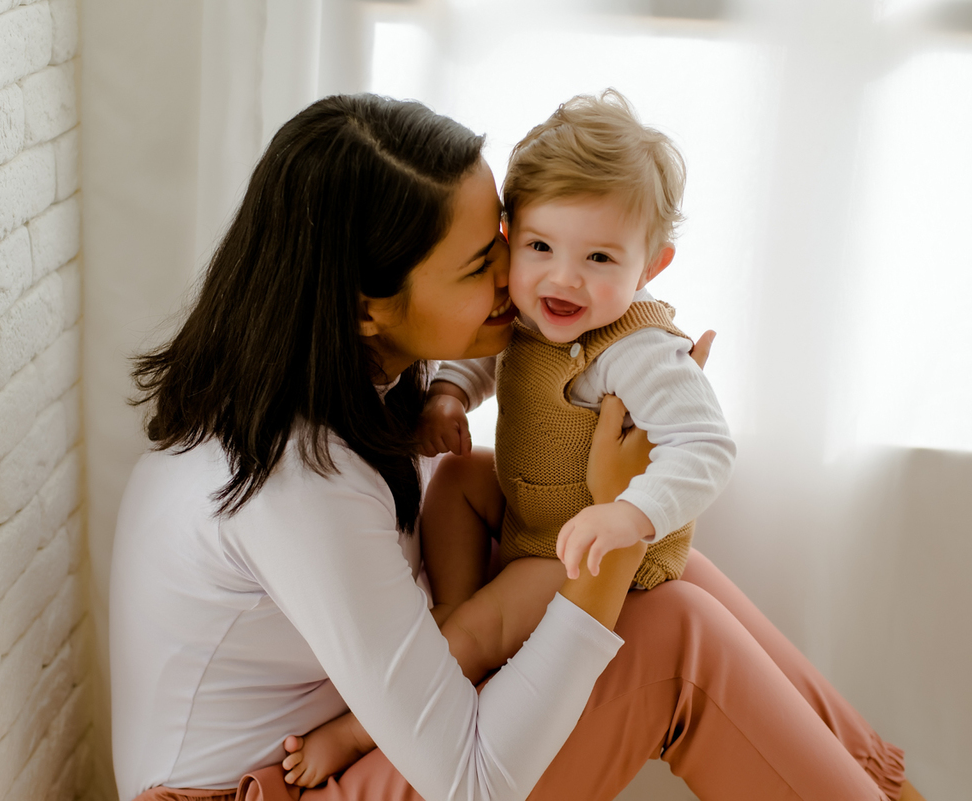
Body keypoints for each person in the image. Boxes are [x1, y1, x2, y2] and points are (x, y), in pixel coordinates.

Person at [110, 92, 921, 801]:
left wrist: (621, 491)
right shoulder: (295, 477)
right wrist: (610, 513)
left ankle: (888, 788)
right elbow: (472, 784)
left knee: (666, 564)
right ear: (368, 306)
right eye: (482, 263)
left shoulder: (360, 383)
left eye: (505, 236)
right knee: (666, 624)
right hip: (268, 788)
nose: (516, 278)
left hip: (341, 746)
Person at [283, 89, 738, 787]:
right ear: (510, 236)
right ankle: (459, 610)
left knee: (481, 625)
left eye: (600, 258)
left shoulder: (641, 350)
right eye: (540, 246)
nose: (563, 277)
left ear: (651, 266)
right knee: (460, 479)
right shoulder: (535, 312)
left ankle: (367, 720)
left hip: (578, 543)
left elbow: (706, 446)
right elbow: (491, 358)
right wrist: (448, 393)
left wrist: (627, 512)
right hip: (531, 507)